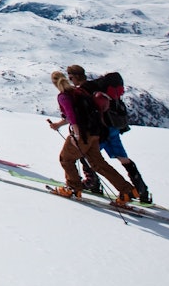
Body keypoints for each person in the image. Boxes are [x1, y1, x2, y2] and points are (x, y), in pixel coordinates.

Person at [47, 70, 136, 205]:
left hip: (82, 134)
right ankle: (127, 190)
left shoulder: (63, 96)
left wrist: (76, 135)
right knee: (98, 164)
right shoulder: (78, 92)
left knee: (66, 159)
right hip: (95, 133)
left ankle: (73, 188)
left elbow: (71, 116)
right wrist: (58, 125)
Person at [67, 65, 151, 203]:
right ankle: (141, 190)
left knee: (86, 155)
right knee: (123, 158)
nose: (71, 81)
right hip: (113, 128)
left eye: (71, 78)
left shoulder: (87, 88)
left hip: (101, 130)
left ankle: (92, 183)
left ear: (75, 76)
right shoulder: (103, 86)